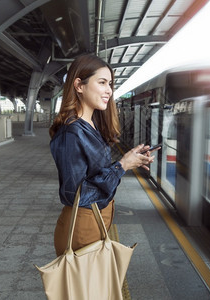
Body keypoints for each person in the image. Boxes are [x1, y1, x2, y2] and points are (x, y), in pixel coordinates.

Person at [49, 53, 157, 256]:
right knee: (87, 287)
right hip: (83, 224)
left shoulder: (90, 125)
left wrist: (129, 159)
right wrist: (122, 165)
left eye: (110, 84)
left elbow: (94, 174)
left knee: (95, 285)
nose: (109, 90)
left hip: (97, 218)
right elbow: (77, 195)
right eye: (102, 82)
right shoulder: (71, 132)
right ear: (79, 85)